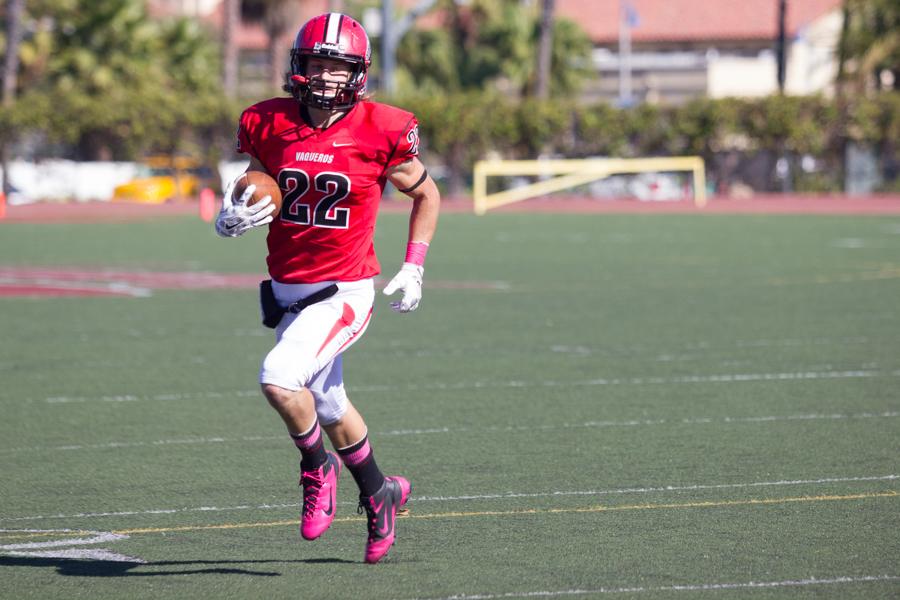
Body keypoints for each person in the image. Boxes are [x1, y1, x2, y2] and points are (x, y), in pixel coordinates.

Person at [214, 12, 440, 564]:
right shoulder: (267, 122)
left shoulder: (381, 127)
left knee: (279, 378)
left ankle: (318, 467)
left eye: (338, 67)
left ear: (358, 73)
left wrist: (414, 265)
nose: (326, 77)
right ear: (299, 66)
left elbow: (427, 195)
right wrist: (232, 212)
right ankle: (380, 492)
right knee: (328, 400)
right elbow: (257, 181)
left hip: (345, 288)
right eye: (318, 63)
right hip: (289, 289)